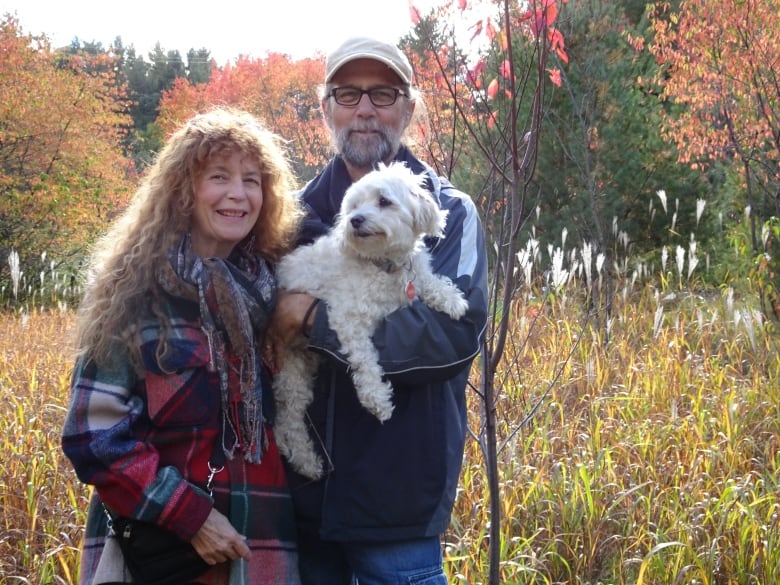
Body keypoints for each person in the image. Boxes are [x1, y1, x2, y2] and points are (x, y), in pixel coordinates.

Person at [266, 37, 489, 584]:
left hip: (398, 509)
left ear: (409, 108)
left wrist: (314, 320)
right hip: (301, 508)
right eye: (348, 94)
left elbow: (449, 336)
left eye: (383, 94)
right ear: (327, 110)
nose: (364, 108)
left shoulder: (448, 210)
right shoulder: (287, 217)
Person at [61, 107, 303, 585]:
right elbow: (94, 434)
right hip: (161, 553)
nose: (238, 194)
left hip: (264, 548)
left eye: (252, 180)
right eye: (219, 177)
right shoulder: (133, 291)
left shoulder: (277, 293)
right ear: (184, 191)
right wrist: (191, 517)